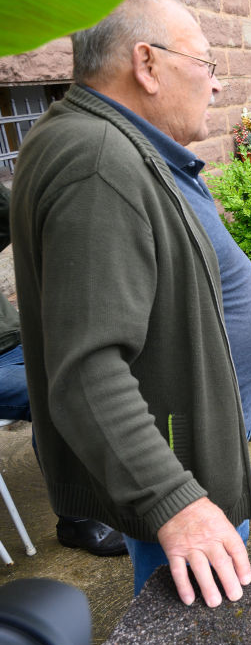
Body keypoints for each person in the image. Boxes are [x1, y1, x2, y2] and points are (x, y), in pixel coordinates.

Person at [10, 0, 251, 607]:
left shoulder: (105, 139)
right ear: (146, 64)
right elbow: (86, 371)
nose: (216, 82)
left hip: (182, 452)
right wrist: (174, 502)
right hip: (178, 476)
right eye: (204, 62)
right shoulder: (98, 159)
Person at [0, 185, 127, 557]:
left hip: (15, 341)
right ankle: (77, 519)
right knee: (58, 394)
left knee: (100, 365)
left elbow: (10, 213)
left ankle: (122, 488)